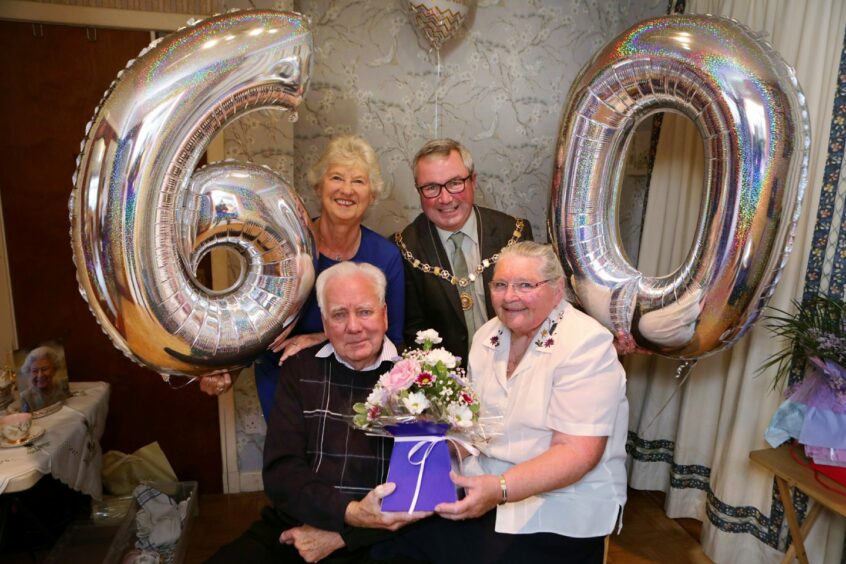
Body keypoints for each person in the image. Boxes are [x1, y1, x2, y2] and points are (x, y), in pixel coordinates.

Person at [374, 242, 628, 563]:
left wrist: (501, 489)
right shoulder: (487, 336)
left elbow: (577, 453)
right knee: (393, 543)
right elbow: (477, 427)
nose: (510, 297)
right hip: (484, 489)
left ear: (557, 288)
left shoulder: (585, 344)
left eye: (525, 285)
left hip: (560, 505)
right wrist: (435, 440)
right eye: (500, 285)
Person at [207, 262, 427, 564]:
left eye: (364, 311)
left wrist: (344, 536)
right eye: (339, 314)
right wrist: (347, 514)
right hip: (299, 520)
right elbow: (282, 472)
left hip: (382, 535)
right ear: (324, 324)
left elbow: (424, 492)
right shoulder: (301, 368)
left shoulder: (418, 376)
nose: (353, 326)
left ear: (384, 315)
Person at [202, 135, 405, 419]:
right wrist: (229, 369)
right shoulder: (284, 247)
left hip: (359, 388)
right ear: (318, 186)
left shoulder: (386, 257)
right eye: (336, 178)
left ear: (372, 195)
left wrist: (320, 338)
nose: (346, 190)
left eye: (358, 181)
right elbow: (255, 323)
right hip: (287, 384)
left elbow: (392, 337)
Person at [395, 138, 532, 362]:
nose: (446, 198)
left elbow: (536, 313)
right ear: (418, 191)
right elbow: (410, 335)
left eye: (455, 183)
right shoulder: (404, 249)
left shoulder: (513, 233)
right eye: (431, 187)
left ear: (473, 181)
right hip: (445, 385)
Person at [19, 346, 70, 413]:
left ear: (54, 369)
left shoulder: (64, 385)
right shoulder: (25, 398)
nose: (40, 375)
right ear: (29, 372)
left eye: (45, 369)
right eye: (35, 371)